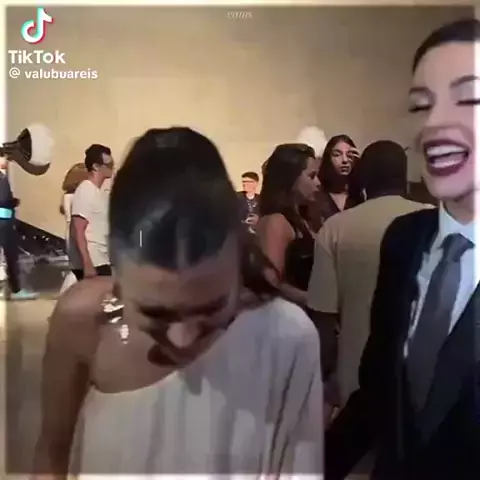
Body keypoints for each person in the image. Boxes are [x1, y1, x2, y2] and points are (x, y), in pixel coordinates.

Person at [32, 128, 323, 478]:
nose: (182, 339)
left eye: (211, 309)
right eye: (155, 312)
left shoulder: (285, 336)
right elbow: (52, 455)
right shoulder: (82, 317)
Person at [325, 19, 480, 480]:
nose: (435, 124)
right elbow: (378, 391)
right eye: (421, 105)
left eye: (468, 98)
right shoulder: (404, 239)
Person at [307, 140, 430, 416]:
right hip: (425, 381)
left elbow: (324, 317)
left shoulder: (336, 228)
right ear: (404, 177)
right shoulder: (432, 220)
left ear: (363, 178)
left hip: (356, 379)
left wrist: (327, 375)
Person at [257, 143, 320, 306]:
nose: (318, 183)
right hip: (291, 315)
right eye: (311, 176)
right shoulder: (275, 222)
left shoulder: (305, 219)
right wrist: (312, 299)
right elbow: (270, 284)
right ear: (290, 179)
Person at [70, 144, 114, 280]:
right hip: (93, 263)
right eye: (109, 164)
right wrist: (87, 263)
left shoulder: (97, 192)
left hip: (101, 260)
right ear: (96, 166)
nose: (112, 168)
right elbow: (77, 229)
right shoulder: (85, 190)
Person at [0, 157, 38, 300]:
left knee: (11, 255)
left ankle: (15, 288)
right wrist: (12, 202)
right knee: (11, 254)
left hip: (6, 218)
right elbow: (3, 200)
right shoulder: (1, 178)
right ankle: (15, 290)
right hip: (3, 220)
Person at [308, 134, 361, 232]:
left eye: (349, 155)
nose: (345, 160)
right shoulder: (317, 194)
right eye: (337, 155)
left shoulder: (360, 194)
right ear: (328, 158)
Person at [59, 163, 89, 293]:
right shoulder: (75, 196)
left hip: (72, 233)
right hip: (77, 234)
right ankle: (64, 295)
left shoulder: (68, 196)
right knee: (78, 270)